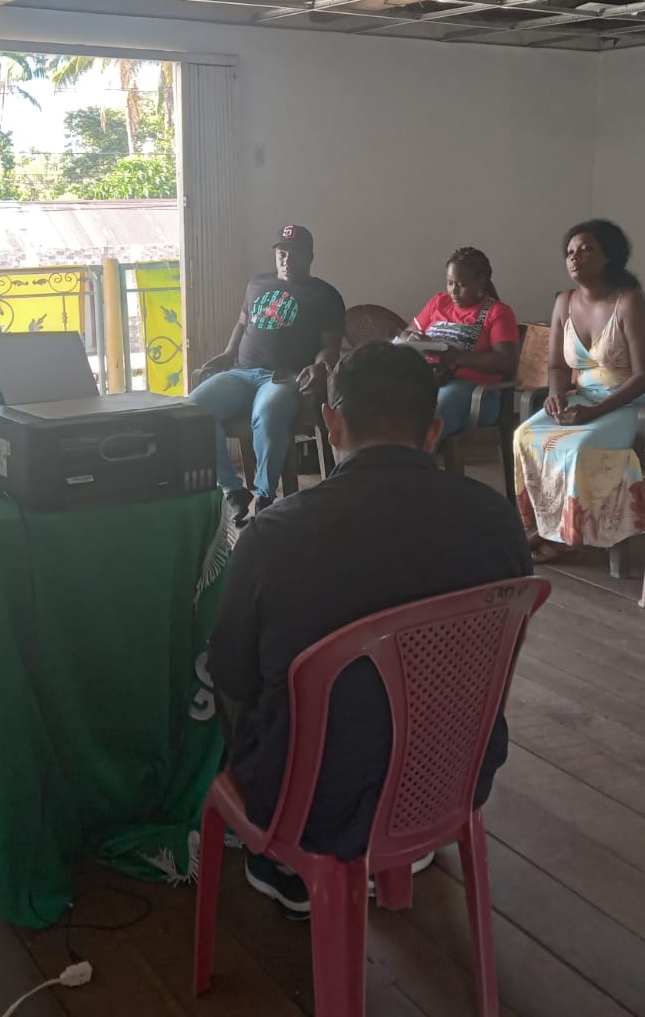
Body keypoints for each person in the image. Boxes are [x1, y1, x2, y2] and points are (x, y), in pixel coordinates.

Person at [207, 341, 533, 917]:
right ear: (434, 431)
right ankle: (403, 848)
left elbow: (233, 674)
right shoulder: (498, 520)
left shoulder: (275, 535)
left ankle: (286, 863)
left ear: (332, 423)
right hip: (448, 780)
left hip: (308, 801)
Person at [513, 220, 645, 564]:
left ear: (609, 256)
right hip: (585, 400)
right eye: (570, 252)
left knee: (580, 445)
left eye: (587, 249)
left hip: (638, 407)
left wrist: (594, 413)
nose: (575, 257)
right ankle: (543, 525)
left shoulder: (629, 303)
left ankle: (564, 536)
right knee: (525, 435)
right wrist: (556, 395)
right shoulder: (564, 302)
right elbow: (557, 365)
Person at [189, 225, 345, 525]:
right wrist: (228, 353)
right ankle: (234, 491)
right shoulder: (257, 284)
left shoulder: (325, 295)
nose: (287, 260)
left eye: (295, 253)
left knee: (268, 414)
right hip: (241, 373)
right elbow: (242, 323)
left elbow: (330, 346)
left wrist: (320, 366)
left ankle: (264, 497)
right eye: (282, 253)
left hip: (285, 378)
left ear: (310, 256)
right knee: (192, 410)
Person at [398, 247, 520, 443]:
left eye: (461, 285)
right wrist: (413, 338)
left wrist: (455, 356)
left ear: (480, 282)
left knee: (429, 417)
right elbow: (406, 332)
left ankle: (414, 459)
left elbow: (507, 362)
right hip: (429, 380)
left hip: (474, 392)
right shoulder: (439, 302)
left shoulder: (497, 312)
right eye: (449, 283)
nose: (453, 291)